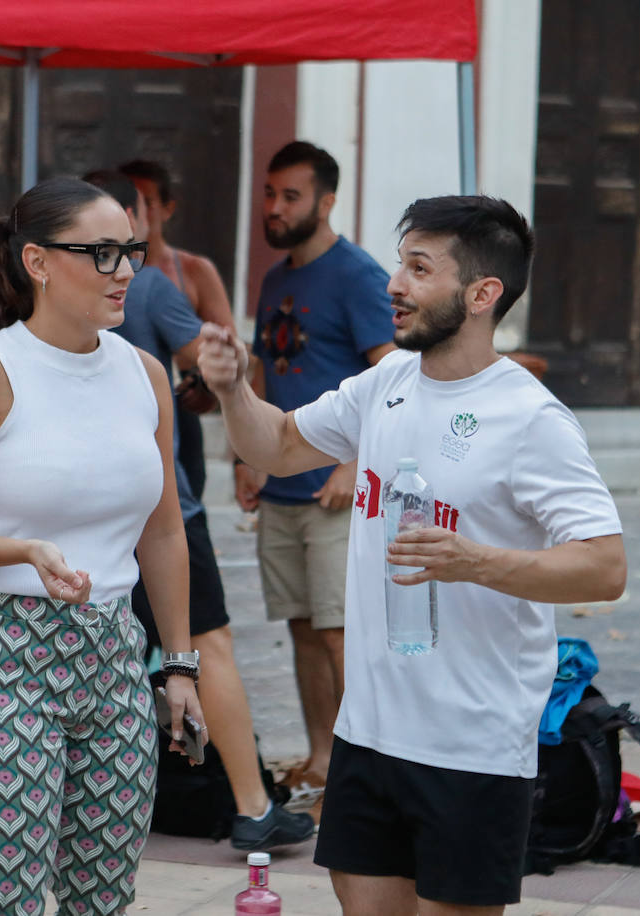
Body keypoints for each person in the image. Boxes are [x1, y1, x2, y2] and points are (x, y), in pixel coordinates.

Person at [198, 195, 626, 915]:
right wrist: (232, 387)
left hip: (474, 748)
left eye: (419, 268)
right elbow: (272, 448)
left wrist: (476, 561)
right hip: (366, 736)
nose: (394, 283)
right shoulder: (385, 385)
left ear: (482, 294)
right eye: (400, 263)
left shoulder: (531, 418)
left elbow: (605, 565)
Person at [0, 177, 207, 916]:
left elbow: (164, 530)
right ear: (37, 261)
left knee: (101, 900)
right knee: (8, 903)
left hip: (110, 660)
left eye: (129, 250)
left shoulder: (144, 375)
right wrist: (22, 551)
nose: (126, 269)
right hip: (0, 661)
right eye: (101, 253)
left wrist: (180, 664)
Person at [83, 170, 314, 851]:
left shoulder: (39, 300)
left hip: (85, 516)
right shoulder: (148, 285)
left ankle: (93, 809)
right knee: (206, 646)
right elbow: (208, 364)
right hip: (161, 511)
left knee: (107, 654)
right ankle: (250, 806)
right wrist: (213, 376)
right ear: (128, 216)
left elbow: (203, 371)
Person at [244, 141, 395, 805]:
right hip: (280, 486)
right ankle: (322, 758)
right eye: (270, 194)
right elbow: (260, 369)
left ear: (326, 201)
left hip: (337, 491)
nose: (275, 208)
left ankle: (366, 777)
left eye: (291, 196)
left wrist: (354, 461)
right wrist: (247, 458)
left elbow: (393, 375)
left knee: (341, 632)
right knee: (302, 628)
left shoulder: (358, 275)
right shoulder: (276, 280)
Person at [118, 158, 236, 503]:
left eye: (145, 201)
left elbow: (227, 347)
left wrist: (201, 383)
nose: (134, 210)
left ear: (166, 209)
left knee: (183, 506)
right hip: (128, 411)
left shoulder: (192, 270)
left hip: (179, 410)